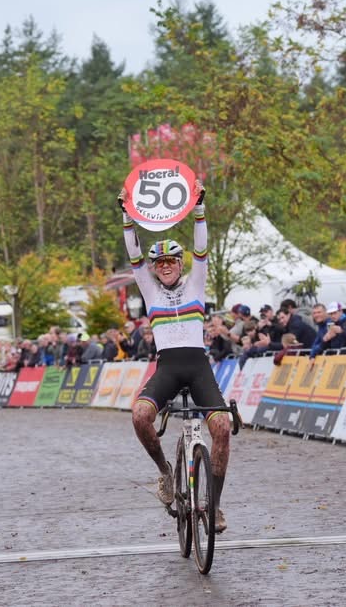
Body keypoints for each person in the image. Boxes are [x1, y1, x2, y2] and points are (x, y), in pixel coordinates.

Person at [119, 180, 231, 533]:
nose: (165, 266)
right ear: (153, 269)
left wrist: (199, 208)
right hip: (168, 366)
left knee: (223, 428)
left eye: (171, 260)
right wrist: (125, 214)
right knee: (139, 416)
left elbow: (202, 249)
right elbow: (134, 254)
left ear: (181, 264)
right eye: (159, 262)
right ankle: (166, 472)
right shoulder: (149, 288)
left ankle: (213, 506)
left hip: (198, 367)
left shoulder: (196, 283)